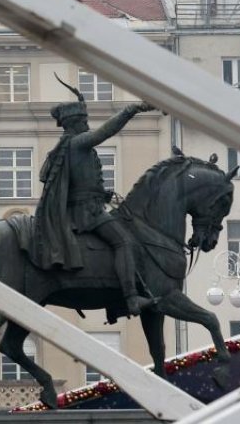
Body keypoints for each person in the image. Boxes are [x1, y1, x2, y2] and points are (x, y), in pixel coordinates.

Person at [34, 75, 155, 315]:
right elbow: (105, 133)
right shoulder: (77, 142)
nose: (87, 124)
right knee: (123, 241)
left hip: (89, 205)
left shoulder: (66, 146)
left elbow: (79, 183)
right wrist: (132, 109)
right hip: (86, 214)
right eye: (84, 120)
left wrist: (102, 194)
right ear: (75, 122)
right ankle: (131, 299)